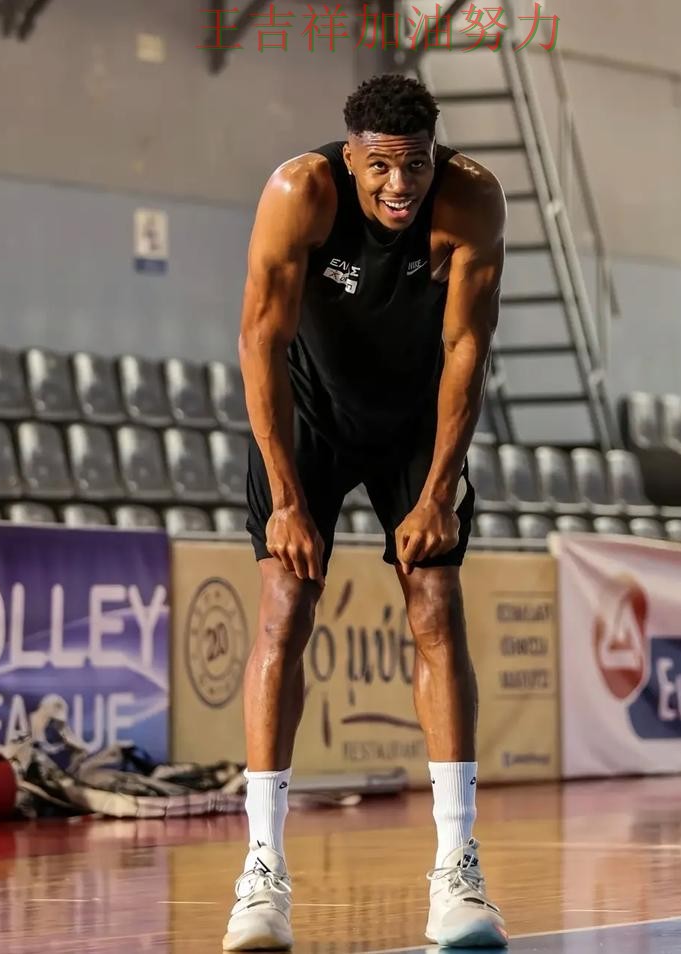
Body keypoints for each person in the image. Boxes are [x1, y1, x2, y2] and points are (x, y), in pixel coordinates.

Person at [224, 73, 508, 952]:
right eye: (381, 166)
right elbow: (259, 341)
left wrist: (437, 495)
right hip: (311, 413)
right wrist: (285, 500)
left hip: (416, 418)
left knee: (436, 603)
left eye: (415, 165)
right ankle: (262, 871)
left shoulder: (472, 200)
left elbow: (467, 347)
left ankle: (457, 868)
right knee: (285, 605)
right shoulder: (298, 193)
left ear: (435, 156)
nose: (399, 185)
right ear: (350, 157)